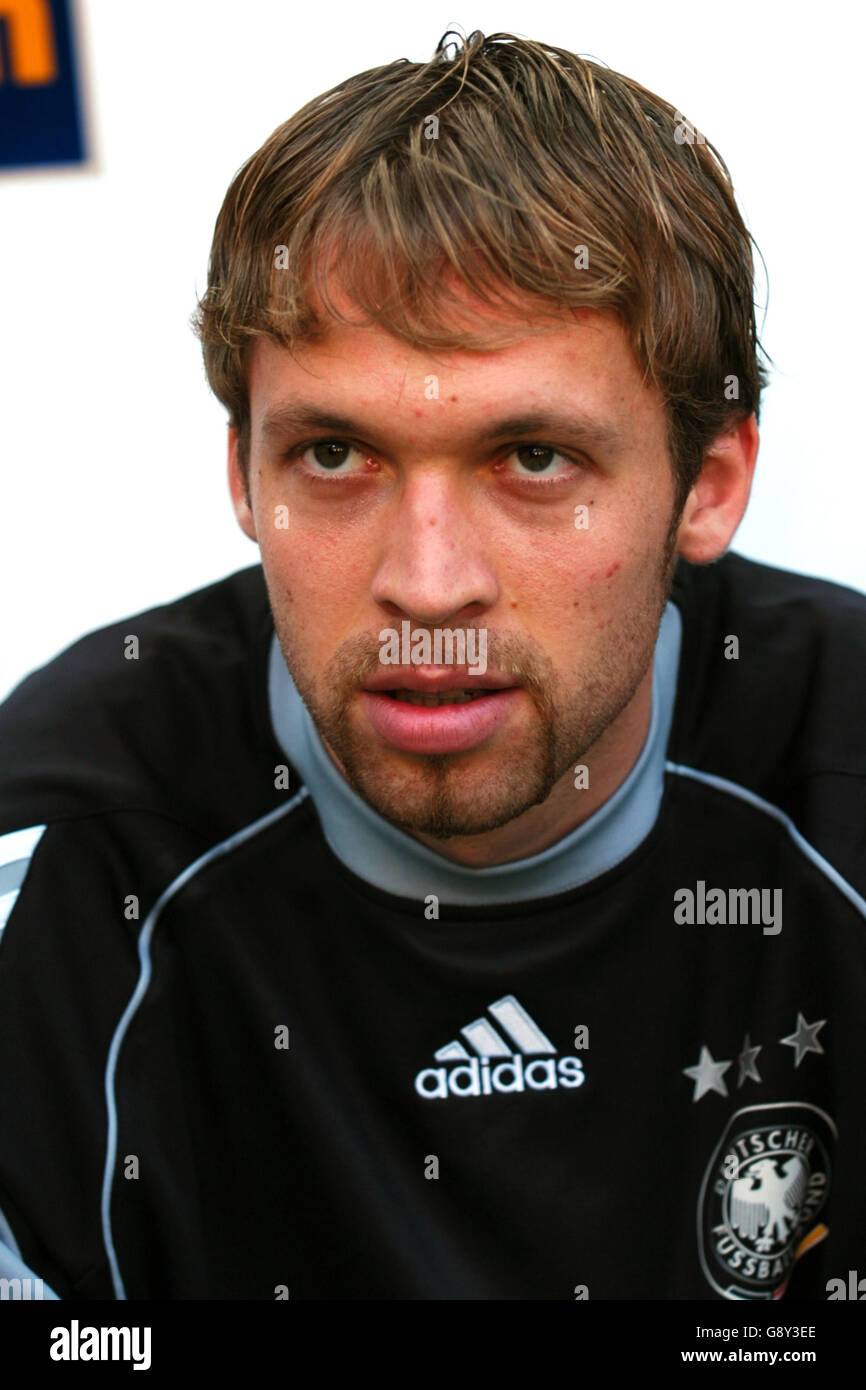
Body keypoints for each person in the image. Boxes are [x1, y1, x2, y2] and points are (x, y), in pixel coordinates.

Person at [0, 28, 863, 1303]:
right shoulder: (60, 862)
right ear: (242, 476)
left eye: (532, 458)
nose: (426, 579)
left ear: (708, 486)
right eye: (336, 456)